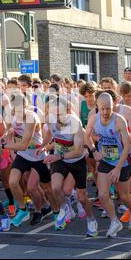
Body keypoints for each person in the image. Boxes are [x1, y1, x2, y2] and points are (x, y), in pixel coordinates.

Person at [0, 93, 58, 227]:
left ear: (25, 106)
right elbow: (9, 133)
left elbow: (24, 144)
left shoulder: (31, 118)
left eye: (19, 109)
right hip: (23, 156)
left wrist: (2, 146)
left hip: (38, 156)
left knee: (45, 188)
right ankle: (23, 210)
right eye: (15, 109)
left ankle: (57, 212)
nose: (17, 112)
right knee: (13, 181)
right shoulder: (14, 117)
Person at [39, 96, 98, 236]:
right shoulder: (50, 118)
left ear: (69, 111)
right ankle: (65, 208)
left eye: (60, 114)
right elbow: (48, 134)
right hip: (60, 158)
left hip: (76, 160)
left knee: (82, 197)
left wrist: (58, 155)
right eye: (54, 113)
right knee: (55, 188)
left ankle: (91, 220)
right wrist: (43, 146)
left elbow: (78, 151)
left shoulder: (74, 123)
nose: (57, 117)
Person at [85, 93, 131, 237]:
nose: (105, 112)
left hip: (122, 161)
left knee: (124, 195)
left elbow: (127, 146)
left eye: (108, 109)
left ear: (113, 106)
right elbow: (86, 136)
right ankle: (115, 221)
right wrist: (93, 150)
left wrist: (118, 168)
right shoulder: (93, 118)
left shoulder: (119, 120)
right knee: (103, 195)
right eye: (102, 109)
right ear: (97, 106)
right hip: (105, 160)